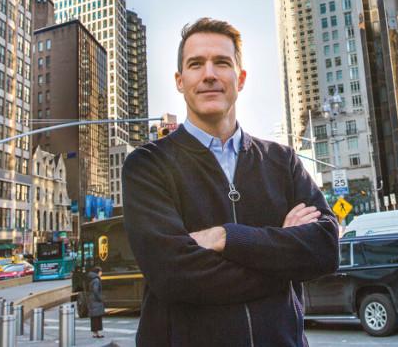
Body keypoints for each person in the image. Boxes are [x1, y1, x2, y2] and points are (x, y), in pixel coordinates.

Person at [123, 17, 339, 346]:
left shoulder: (283, 161)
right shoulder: (147, 165)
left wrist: (226, 237)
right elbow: (172, 275)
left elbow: (325, 248)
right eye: (196, 64)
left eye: (221, 63)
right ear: (180, 81)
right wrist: (284, 255)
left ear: (240, 78)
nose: (209, 74)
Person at [87, 266, 105, 338]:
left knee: (94, 318)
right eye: (100, 271)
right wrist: (100, 298)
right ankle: (96, 333)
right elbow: (95, 290)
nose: (101, 273)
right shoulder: (96, 280)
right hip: (96, 301)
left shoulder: (92, 279)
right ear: (98, 272)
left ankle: (96, 333)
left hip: (92, 301)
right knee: (97, 318)